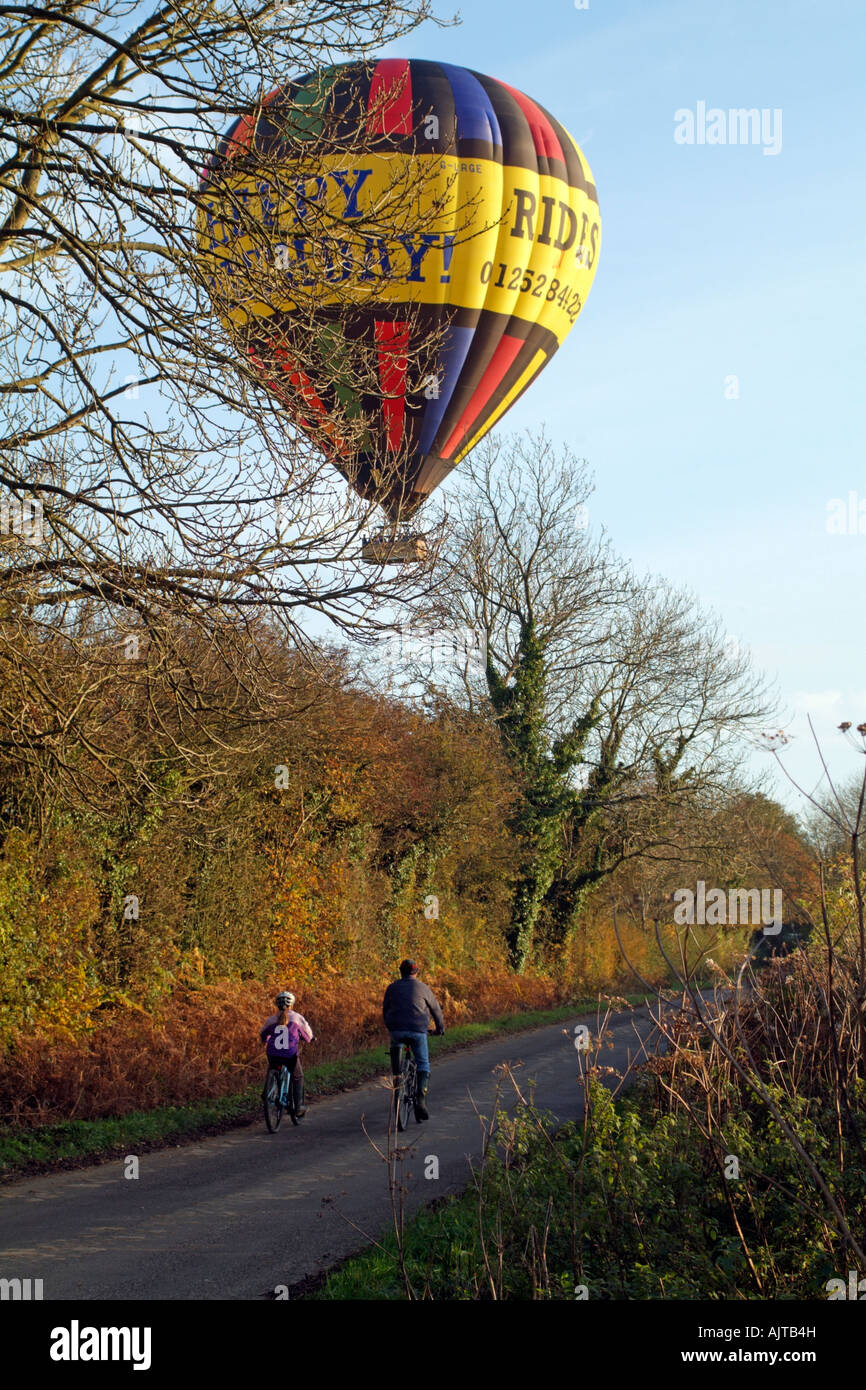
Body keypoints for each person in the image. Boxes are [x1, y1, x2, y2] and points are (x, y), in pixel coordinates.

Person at [382, 960, 444, 1121]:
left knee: (395, 1045)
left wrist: (390, 1026)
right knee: (423, 1063)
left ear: (400, 972)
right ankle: (421, 1100)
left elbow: (385, 1009)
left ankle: (397, 1077)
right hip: (418, 1030)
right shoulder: (423, 988)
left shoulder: (392, 987)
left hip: (396, 1030)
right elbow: (436, 1010)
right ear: (416, 972)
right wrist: (440, 1029)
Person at [260, 991, 313, 1118]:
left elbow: (262, 1034)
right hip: (290, 1055)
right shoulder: (297, 1018)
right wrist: (309, 1039)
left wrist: (266, 1041)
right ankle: (298, 1106)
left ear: (276, 1005)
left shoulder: (271, 1020)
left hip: (272, 1053)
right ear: (292, 1004)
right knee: (298, 1076)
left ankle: (267, 1091)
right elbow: (308, 1036)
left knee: (273, 1067)